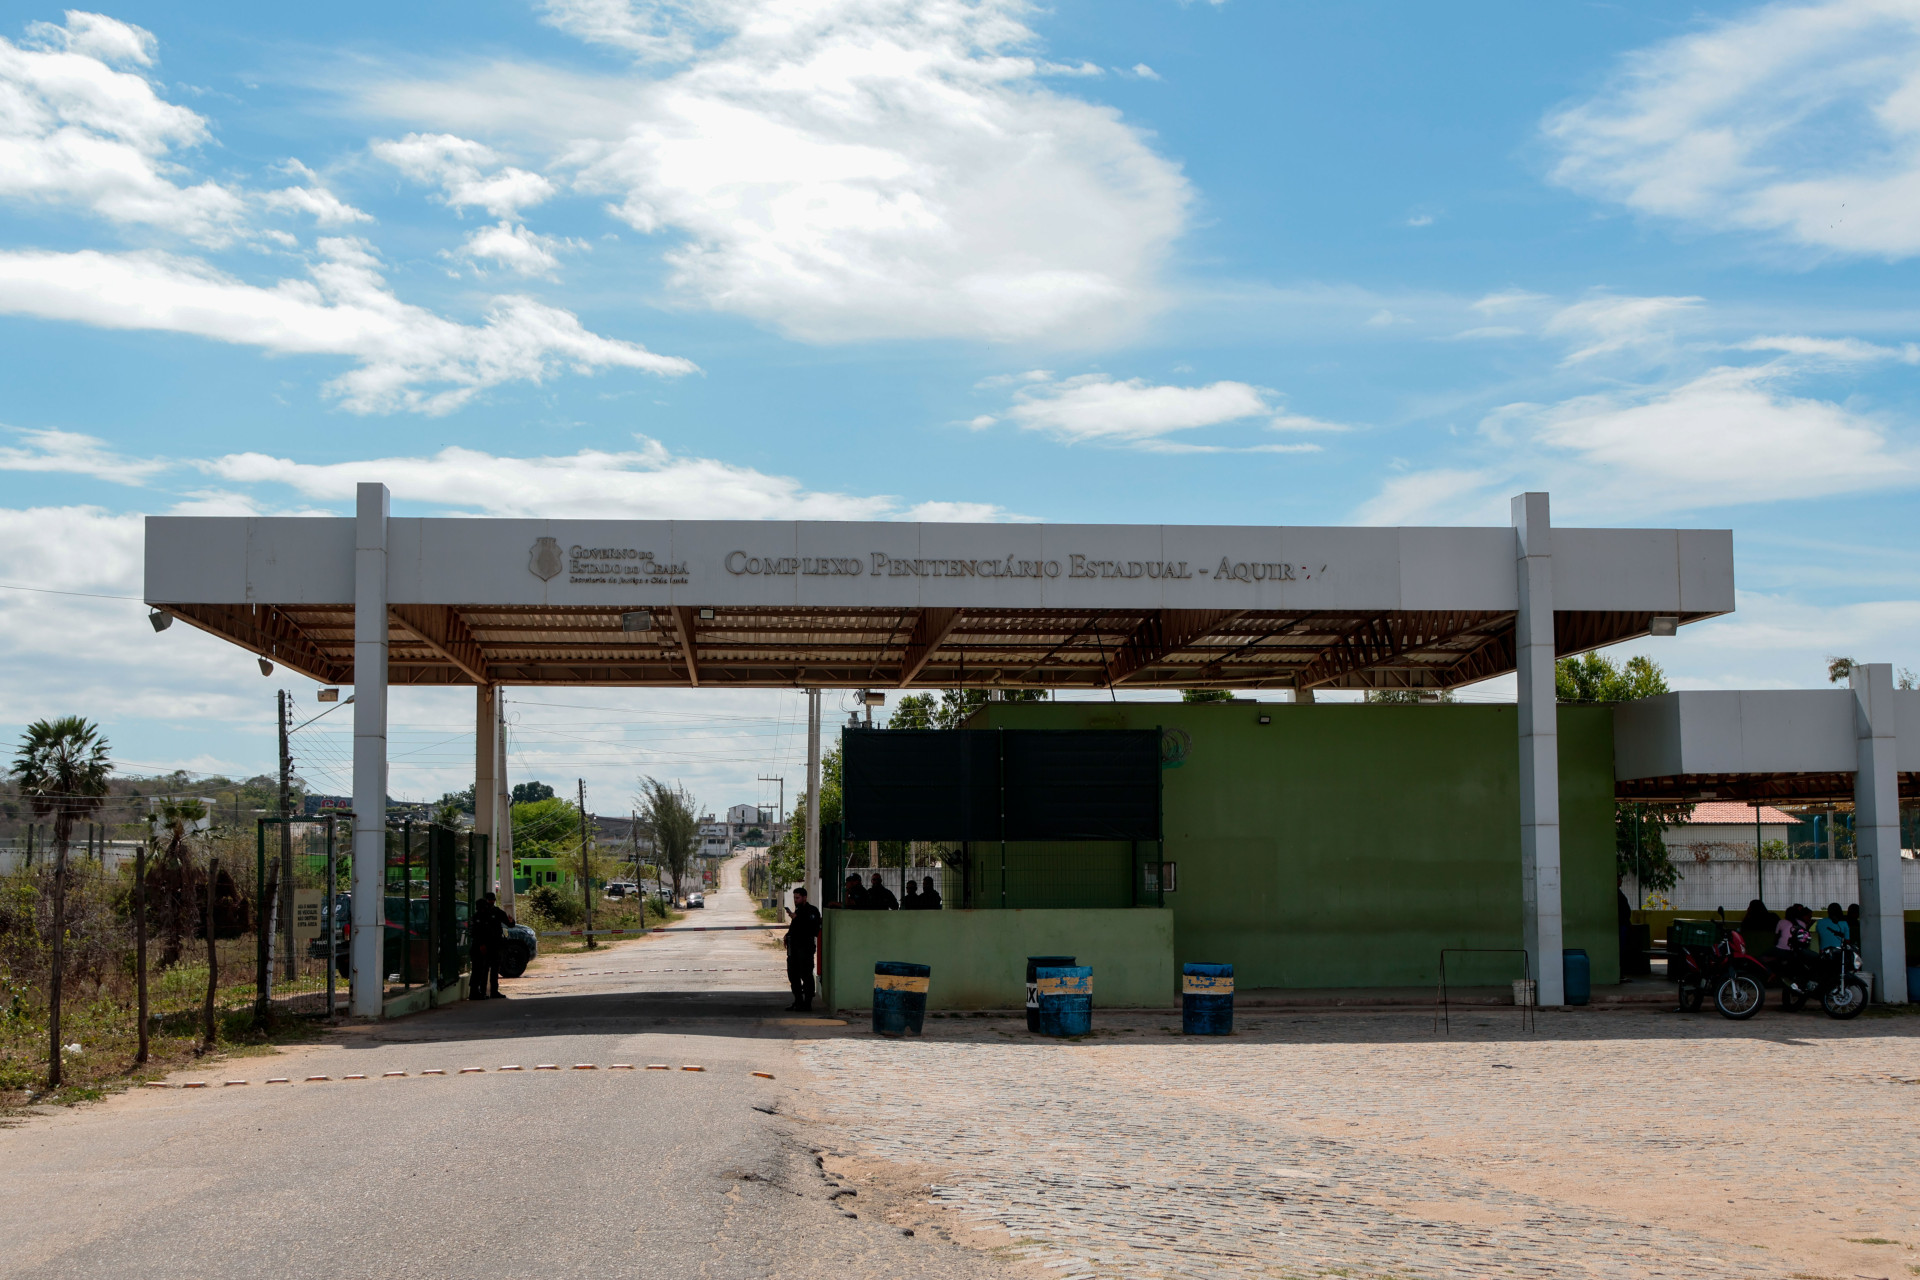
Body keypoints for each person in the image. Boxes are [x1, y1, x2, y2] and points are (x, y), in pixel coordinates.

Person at [784, 887, 822, 1012]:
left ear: (804, 897)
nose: (795, 900)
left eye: (798, 898)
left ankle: (807, 1003)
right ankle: (798, 1001)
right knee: (793, 976)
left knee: (806, 976)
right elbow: (794, 929)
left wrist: (796, 918)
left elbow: (813, 930)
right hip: (794, 949)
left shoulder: (812, 911)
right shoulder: (798, 911)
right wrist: (787, 935)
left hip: (805, 949)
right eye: (794, 898)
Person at [470, 891, 511, 999]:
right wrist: (482, 944)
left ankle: (491, 991)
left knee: (493, 969)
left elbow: (509, 923)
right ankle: (481, 992)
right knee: (482, 969)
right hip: (485, 946)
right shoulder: (480, 916)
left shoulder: (495, 912)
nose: (490, 903)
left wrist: (511, 921)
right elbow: (477, 932)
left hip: (495, 945)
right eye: (489, 901)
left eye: (492, 900)